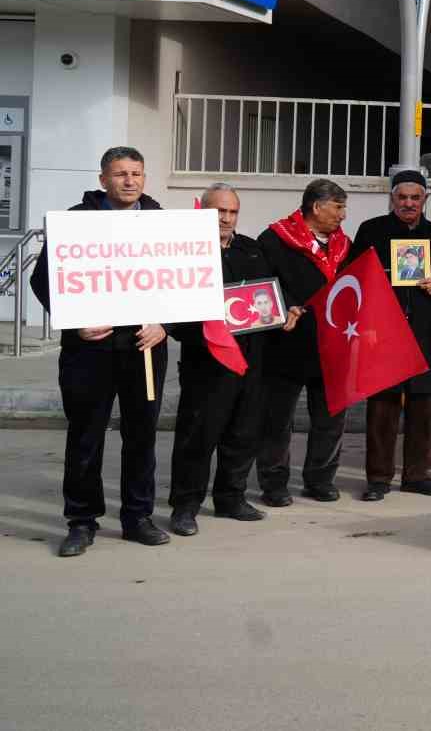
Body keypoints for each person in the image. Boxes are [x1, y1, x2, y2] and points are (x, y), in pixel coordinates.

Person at [29, 147, 172, 556]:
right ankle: (81, 521)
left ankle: (137, 518)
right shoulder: (76, 222)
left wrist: (165, 324)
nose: (129, 180)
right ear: (103, 179)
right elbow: (45, 282)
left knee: (141, 435)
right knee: (85, 437)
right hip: (87, 350)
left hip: (143, 348)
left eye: (137, 173)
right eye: (120, 173)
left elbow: (184, 284)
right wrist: (75, 321)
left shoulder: (163, 223)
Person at [167, 184, 295, 537]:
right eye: (218, 211)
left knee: (243, 432)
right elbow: (172, 307)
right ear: (203, 211)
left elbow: (272, 295)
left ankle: (231, 497)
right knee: (198, 436)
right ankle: (185, 505)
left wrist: (285, 311)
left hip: (252, 360)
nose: (225, 218)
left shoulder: (252, 250)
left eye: (231, 211)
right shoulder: (187, 253)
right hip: (205, 361)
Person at [350, 169, 431, 501]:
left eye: (415, 197)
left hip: (424, 331)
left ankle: (417, 475)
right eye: (402, 197)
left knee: (424, 407)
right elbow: (352, 276)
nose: (408, 203)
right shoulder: (371, 231)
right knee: (382, 408)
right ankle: (378, 478)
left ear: (425, 199)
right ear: (392, 198)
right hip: (383, 332)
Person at [256, 178, 352, 505]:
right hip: (286, 345)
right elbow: (261, 287)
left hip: (332, 346)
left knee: (330, 420)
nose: (343, 215)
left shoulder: (343, 245)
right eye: (338, 207)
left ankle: (320, 479)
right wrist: (284, 307)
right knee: (277, 421)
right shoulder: (273, 240)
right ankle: (274, 483)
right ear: (316, 206)